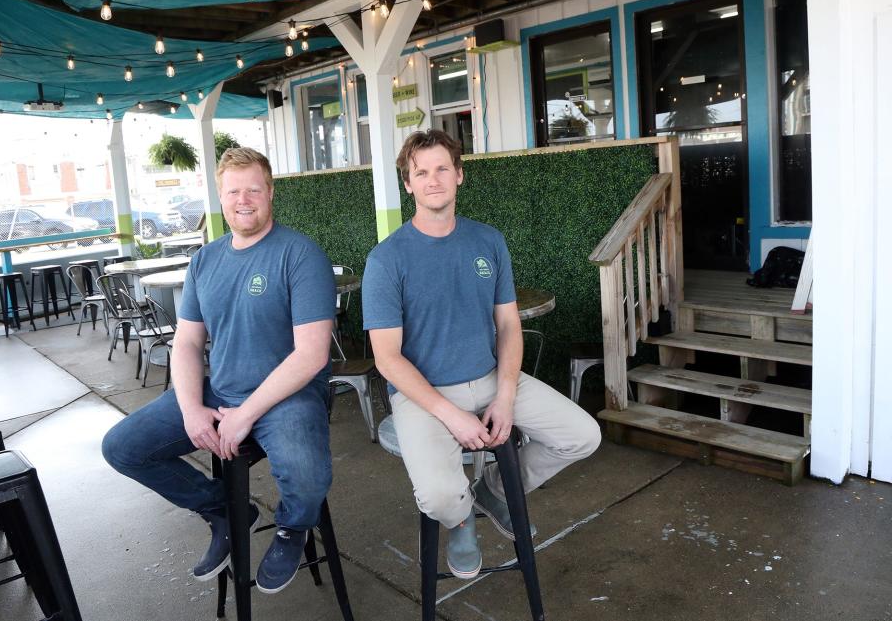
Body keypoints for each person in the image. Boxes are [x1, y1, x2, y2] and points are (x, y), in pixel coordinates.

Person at [362, 129, 601, 579]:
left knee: (582, 435)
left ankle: (492, 489)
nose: (433, 180)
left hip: (490, 377)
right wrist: (451, 416)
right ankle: (460, 519)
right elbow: (387, 359)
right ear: (408, 184)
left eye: (442, 169)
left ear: (459, 176)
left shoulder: (487, 241)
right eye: (421, 172)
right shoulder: (386, 260)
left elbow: (509, 324)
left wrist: (506, 394)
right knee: (437, 496)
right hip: (423, 394)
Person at [102, 147, 336, 594]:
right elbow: (188, 343)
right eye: (233, 191)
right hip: (219, 390)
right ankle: (225, 510)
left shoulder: (300, 254)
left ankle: (291, 527)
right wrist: (191, 408)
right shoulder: (205, 260)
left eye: (253, 189)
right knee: (122, 447)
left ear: (270, 192)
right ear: (220, 196)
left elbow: (311, 355)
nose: (243, 199)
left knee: (307, 475)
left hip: (288, 395)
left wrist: (246, 414)